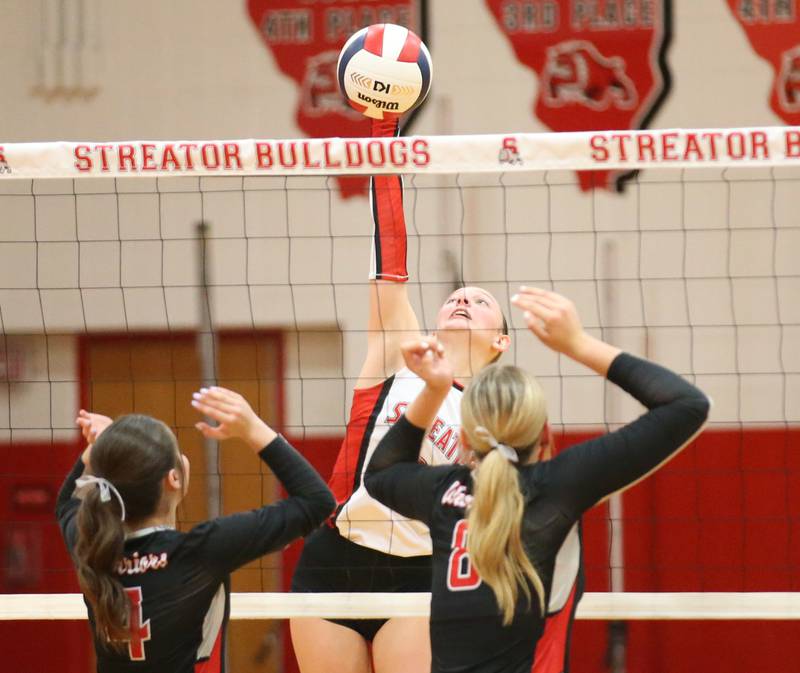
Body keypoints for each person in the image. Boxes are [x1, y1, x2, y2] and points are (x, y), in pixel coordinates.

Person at [289, 120, 583, 673]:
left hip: (421, 573)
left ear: (501, 341)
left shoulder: (500, 415)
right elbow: (389, 265)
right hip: (334, 559)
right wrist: (384, 135)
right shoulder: (398, 353)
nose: (463, 301)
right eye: (456, 297)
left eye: (480, 300)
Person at [363, 287, 710, 673]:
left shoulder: (443, 492)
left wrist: (434, 389)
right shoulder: (560, 486)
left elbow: (379, 474)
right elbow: (687, 405)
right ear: (546, 435)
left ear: (464, 439)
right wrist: (576, 344)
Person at [56, 387, 335, 673]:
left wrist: (99, 450)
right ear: (173, 478)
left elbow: (65, 503)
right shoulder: (199, 552)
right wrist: (253, 428)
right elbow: (318, 502)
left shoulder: (92, 546)